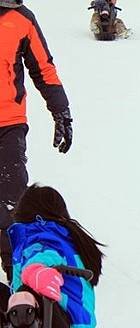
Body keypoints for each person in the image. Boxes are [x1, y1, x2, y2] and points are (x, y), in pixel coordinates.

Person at [0, 184, 104, 328]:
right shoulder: (40, 236)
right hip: (53, 326)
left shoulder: (46, 235)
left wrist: (36, 271)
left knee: (31, 295)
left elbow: (46, 256)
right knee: (22, 295)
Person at [0, 0, 73, 283]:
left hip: (9, 123)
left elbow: (43, 68)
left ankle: (14, 271)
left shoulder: (22, 19)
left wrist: (61, 111)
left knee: (11, 199)